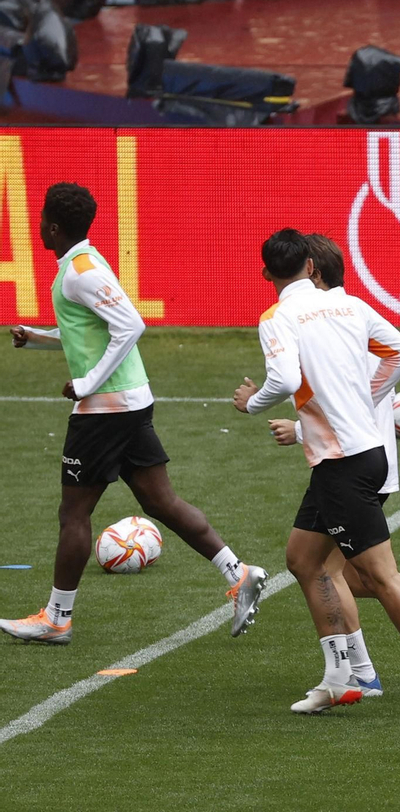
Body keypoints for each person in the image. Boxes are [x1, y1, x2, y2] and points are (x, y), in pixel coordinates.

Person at [3, 182, 268, 645]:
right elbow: (89, 333)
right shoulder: (83, 262)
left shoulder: (80, 271)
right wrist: (40, 337)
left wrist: (87, 384)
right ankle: (239, 572)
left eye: (42, 219)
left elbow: (131, 325)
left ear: (53, 226)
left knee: (74, 514)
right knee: (159, 502)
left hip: (106, 409)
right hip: (128, 402)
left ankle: (57, 618)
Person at [233, 228, 400, 722]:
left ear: (266, 274)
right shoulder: (350, 307)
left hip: (344, 465)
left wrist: (252, 404)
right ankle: (340, 677)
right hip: (357, 457)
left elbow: (285, 380)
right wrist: (367, 396)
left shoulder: (277, 317)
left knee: (380, 578)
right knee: (303, 559)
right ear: (311, 267)